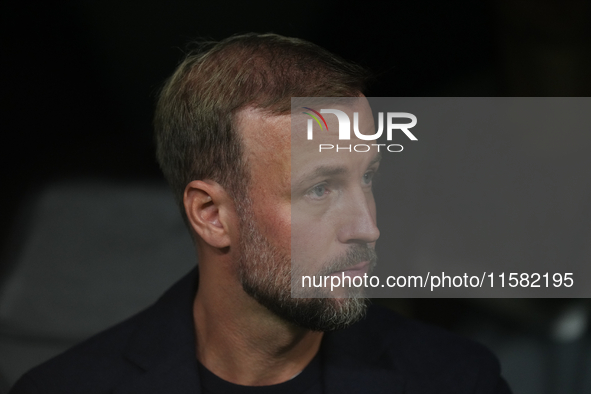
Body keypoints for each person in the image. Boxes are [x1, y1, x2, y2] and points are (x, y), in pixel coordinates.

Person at [10, 33, 512, 393]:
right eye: (320, 190)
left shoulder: (458, 379)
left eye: (367, 178)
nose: (368, 227)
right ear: (211, 215)